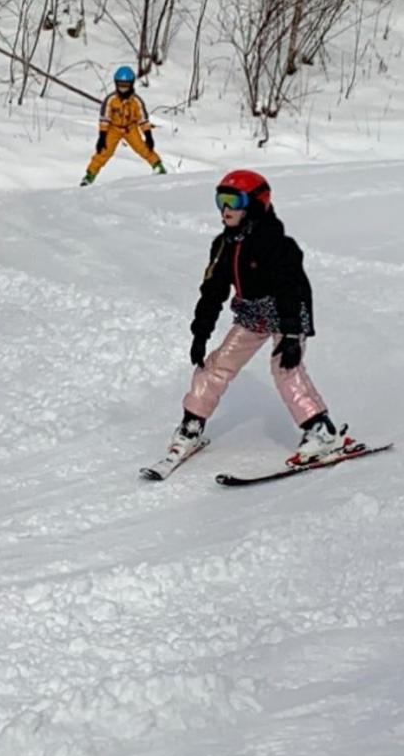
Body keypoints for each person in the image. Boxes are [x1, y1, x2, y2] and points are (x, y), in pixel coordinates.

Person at [168, 169, 352, 466]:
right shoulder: (224, 246)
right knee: (216, 365)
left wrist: (292, 336)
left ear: (254, 204)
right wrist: (200, 333)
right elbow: (213, 291)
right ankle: (191, 424)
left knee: (285, 369)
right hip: (252, 313)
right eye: (220, 201)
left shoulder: (279, 246)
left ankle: (321, 430)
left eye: (234, 201)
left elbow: (292, 291)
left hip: (287, 312)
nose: (225, 210)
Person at [80, 65, 167, 186]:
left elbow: (143, 119)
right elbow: (104, 118)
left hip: (130, 128)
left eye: (126, 86)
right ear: (116, 84)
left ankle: (158, 165)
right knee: (104, 151)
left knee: (142, 147)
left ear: (131, 85)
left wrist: (148, 135)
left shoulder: (136, 101)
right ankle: (90, 175)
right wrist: (102, 136)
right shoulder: (111, 100)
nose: (123, 89)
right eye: (121, 85)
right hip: (113, 128)